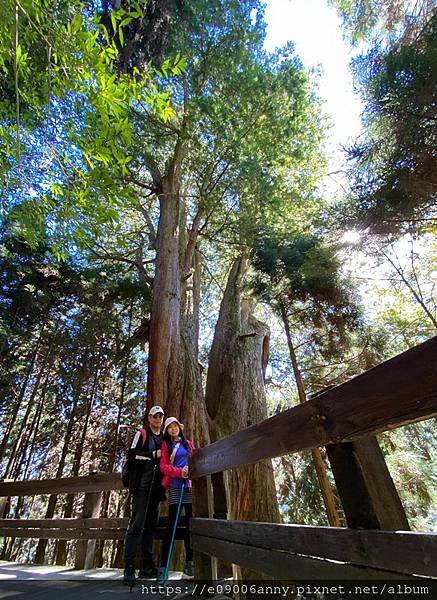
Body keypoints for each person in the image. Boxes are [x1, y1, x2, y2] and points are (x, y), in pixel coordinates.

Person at [123, 405, 166, 586]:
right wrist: (151, 455)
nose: (157, 419)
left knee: (150, 528)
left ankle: (147, 566)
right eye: (154, 416)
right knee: (135, 527)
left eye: (160, 416)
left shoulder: (164, 438)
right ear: (149, 418)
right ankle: (129, 569)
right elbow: (131, 454)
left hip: (156, 491)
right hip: (141, 488)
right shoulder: (142, 434)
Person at [157, 416, 195, 582]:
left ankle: (190, 564)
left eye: (175, 426)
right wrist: (180, 472)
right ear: (167, 431)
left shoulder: (189, 444)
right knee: (172, 526)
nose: (173, 429)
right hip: (175, 486)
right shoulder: (166, 445)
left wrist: (189, 470)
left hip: (189, 487)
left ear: (180, 427)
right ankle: (163, 568)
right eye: (170, 427)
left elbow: (196, 459)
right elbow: (163, 467)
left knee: (190, 525)